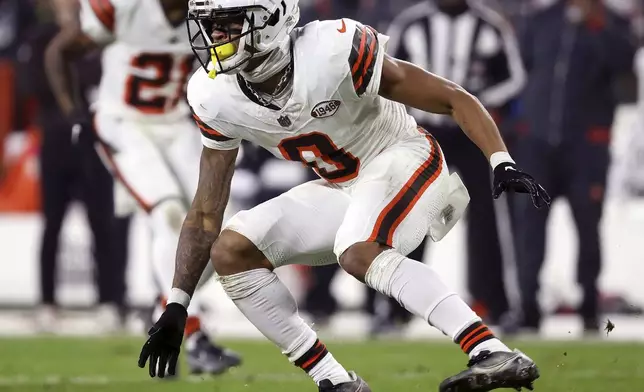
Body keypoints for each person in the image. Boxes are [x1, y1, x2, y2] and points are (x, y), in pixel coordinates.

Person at [139, 1, 550, 391]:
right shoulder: (214, 94)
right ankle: (335, 381)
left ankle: (490, 351)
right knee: (231, 251)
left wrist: (500, 160)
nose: (215, 35)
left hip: (403, 155)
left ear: (271, 20)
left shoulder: (333, 49)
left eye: (228, 23)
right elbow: (206, 214)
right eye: (210, 24)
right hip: (343, 185)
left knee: (357, 250)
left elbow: (451, 97)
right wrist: (178, 303)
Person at [44, 0, 240, 375]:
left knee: (224, 234)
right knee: (167, 216)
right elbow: (59, 52)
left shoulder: (209, 11)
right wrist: (73, 113)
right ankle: (193, 333)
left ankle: (162, 305)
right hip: (125, 123)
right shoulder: (125, 7)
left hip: (178, 123)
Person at [382, 0, 527, 329]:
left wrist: (476, 102)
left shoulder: (489, 25)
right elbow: (383, 75)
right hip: (424, 132)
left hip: (471, 132)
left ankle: (493, 303)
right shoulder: (411, 23)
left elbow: (514, 78)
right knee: (409, 218)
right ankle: (396, 308)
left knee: (486, 220)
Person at [505, 0, 636, 334]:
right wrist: (522, 125)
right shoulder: (542, 20)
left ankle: (589, 309)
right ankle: (528, 308)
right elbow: (521, 69)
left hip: (586, 147)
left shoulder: (612, 23)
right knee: (530, 230)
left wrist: (597, 26)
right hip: (536, 144)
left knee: (588, 227)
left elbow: (624, 66)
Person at [21, 0, 129, 331]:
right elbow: (32, 86)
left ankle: (108, 302)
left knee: (103, 225)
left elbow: (109, 85)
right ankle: (48, 303)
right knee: (52, 224)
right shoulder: (42, 39)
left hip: (95, 144)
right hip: (55, 144)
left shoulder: (101, 38)